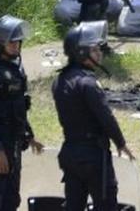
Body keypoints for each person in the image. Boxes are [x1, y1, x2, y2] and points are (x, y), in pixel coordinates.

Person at [53, 20, 134, 211]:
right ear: (82, 53)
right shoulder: (88, 83)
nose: (100, 53)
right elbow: (105, 117)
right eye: (95, 49)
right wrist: (121, 143)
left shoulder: (60, 81)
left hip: (70, 151)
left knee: (74, 204)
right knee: (105, 205)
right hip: (93, 155)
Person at [0, 15, 44, 211]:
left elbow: (19, 108)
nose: (17, 45)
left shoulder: (15, 71)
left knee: (11, 200)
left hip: (14, 144)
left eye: (18, 41)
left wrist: (29, 136)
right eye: (11, 42)